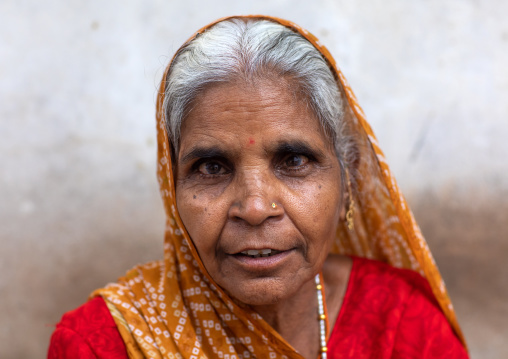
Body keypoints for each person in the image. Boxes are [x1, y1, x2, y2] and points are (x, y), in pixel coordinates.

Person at [48, 15, 469, 358]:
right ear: (171, 188)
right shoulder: (104, 343)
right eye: (211, 167)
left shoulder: (400, 326)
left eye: (294, 161)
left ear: (348, 183)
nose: (253, 207)